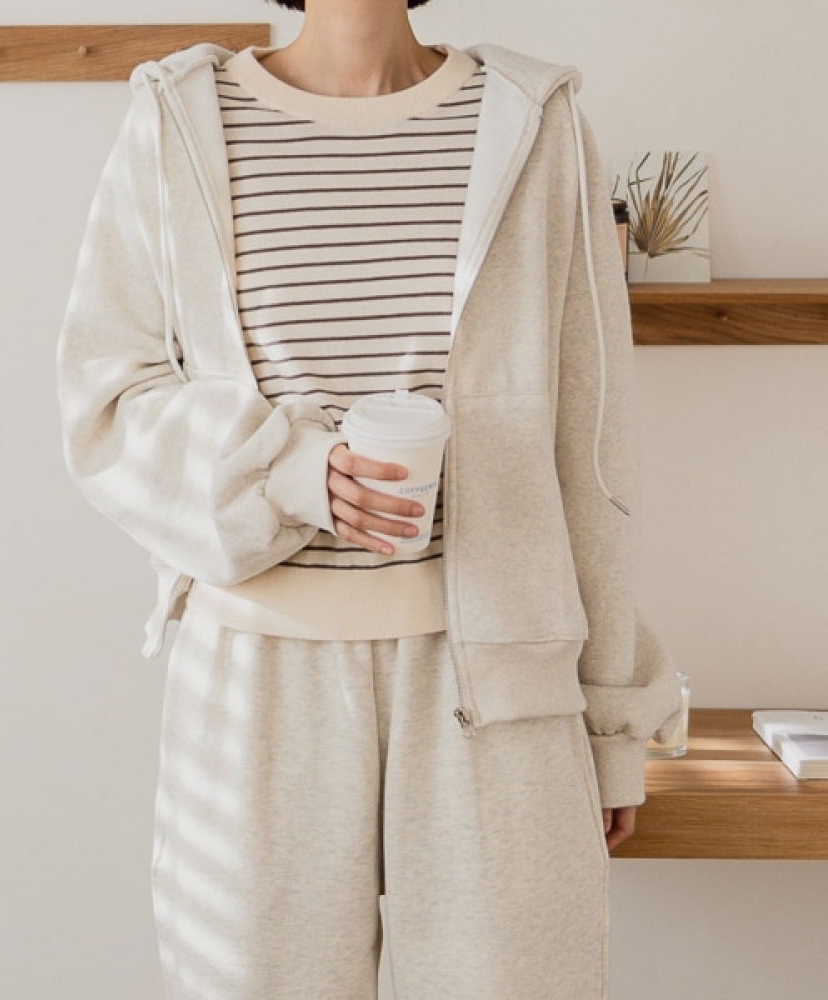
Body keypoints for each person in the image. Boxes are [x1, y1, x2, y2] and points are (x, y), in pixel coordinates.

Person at [57, 1, 682, 997]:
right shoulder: (179, 117)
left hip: (500, 685)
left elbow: (591, 447)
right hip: (257, 685)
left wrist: (612, 724)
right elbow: (106, 405)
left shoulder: (533, 118)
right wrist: (292, 474)